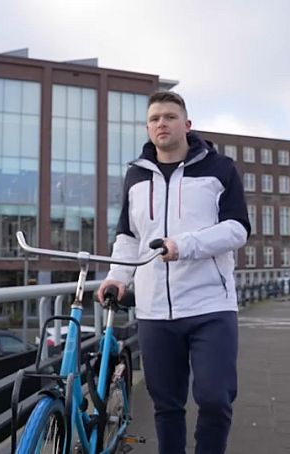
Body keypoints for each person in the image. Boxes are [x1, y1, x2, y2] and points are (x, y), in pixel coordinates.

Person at [98, 91, 251, 454]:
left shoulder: (219, 168)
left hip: (210, 306)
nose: (161, 123)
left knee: (215, 399)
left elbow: (237, 229)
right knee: (166, 406)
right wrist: (117, 277)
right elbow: (128, 237)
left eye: (169, 116)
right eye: (154, 119)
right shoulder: (136, 175)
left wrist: (184, 245)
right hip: (154, 309)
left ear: (187, 124)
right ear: (148, 128)